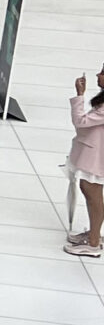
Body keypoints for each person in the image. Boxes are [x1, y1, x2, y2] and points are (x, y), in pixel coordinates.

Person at [68, 75, 104, 259]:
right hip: (93, 153)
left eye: (102, 73)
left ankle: (93, 242)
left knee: (93, 193)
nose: (98, 76)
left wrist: (79, 95)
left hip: (97, 157)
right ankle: (94, 234)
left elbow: (81, 121)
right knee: (90, 190)